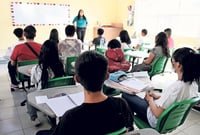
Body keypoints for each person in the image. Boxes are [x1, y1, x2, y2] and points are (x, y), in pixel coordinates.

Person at [36, 51, 134, 135]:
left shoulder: (70, 118)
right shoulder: (121, 105)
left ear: (77, 79)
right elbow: (129, 128)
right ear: (107, 76)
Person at [122, 47, 200, 128]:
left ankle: (129, 126)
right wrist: (157, 97)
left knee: (126, 95)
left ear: (179, 65)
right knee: (137, 98)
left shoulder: (177, 87)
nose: (172, 64)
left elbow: (157, 114)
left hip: (156, 119)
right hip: (170, 120)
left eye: (173, 61)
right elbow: (175, 100)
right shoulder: (194, 85)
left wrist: (150, 100)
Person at [28, 40, 66, 126]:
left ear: (42, 52)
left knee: (29, 93)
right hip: (59, 93)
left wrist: (32, 72)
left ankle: (33, 117)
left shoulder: (37, 68)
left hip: (44, 95)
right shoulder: (60, 65)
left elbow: (33, 81)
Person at [8, 25, 41, 91]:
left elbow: (13, 63)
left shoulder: (18, 47)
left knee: (10, 64)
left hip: (22, 73)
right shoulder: (41, 46)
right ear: (35, 34)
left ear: (24, 34)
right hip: (37, 71)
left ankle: (14, 84)